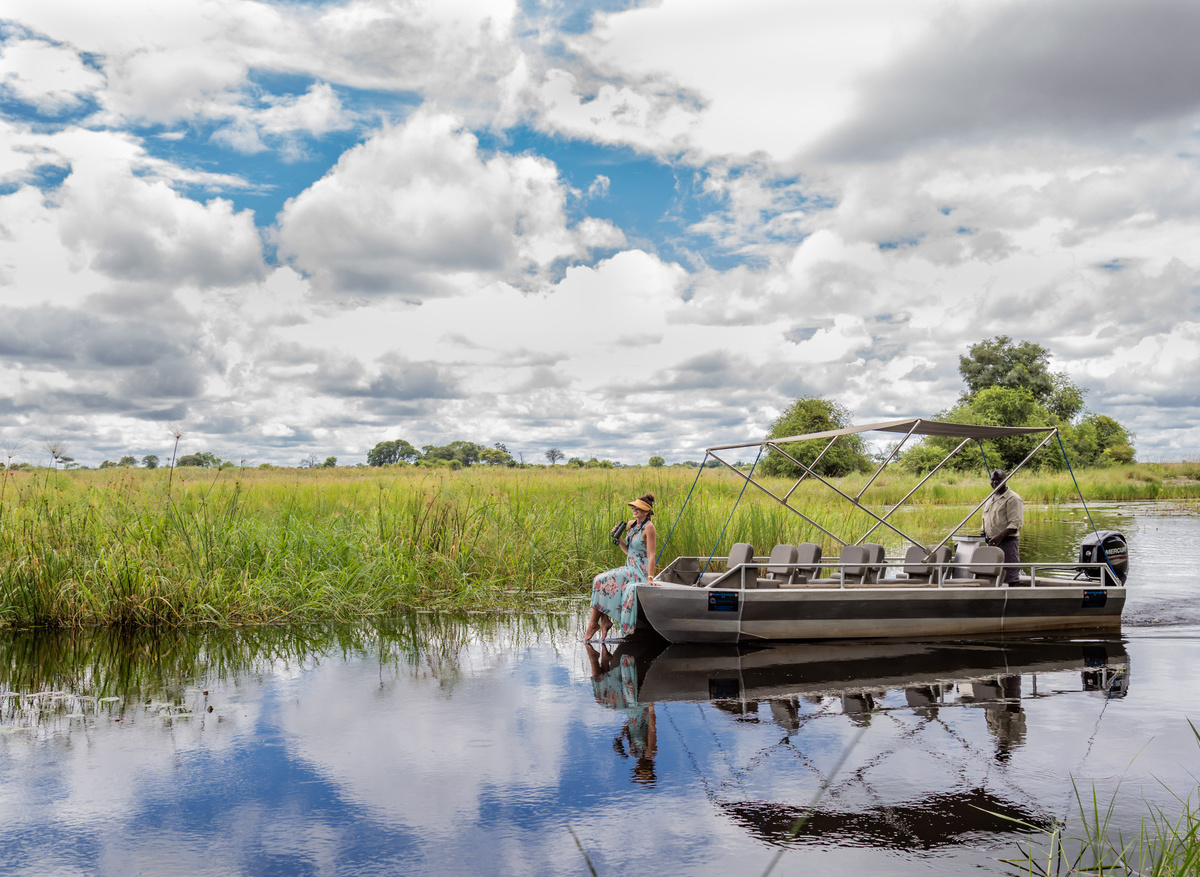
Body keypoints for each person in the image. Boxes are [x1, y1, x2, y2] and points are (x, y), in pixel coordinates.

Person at [582, 493, 657, 641]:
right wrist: (619, 538)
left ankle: (594, 624)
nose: (634, 509)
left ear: (647, 511)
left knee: (600, 580)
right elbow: (628, 551)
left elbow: (652, 555)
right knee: (598, 579)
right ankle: (602, 621)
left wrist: (649, 577)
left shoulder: (649, 528)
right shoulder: (631, 524)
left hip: (639, 571)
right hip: (629, 566)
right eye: (634, 507)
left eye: (638, 508)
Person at [982, 468, 1023, 584]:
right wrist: (984, 533)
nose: (995, 483)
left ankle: (1014, 599)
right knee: (992, 575)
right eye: (992, 480)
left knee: (1010, 575)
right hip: (991, 542)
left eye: (998, 480)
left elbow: (1015, 524)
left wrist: (999, 537)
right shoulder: (990, 498)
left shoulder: (1013, 498)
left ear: (1005, 480)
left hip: (1007, 542)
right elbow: (985, 518)